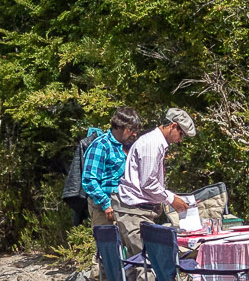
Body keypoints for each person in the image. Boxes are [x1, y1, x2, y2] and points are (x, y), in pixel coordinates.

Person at [113, 107, 196, 253]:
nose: (180, 139)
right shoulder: (152, 144)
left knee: (140, 264)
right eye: (181, 133)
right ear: (173, 126)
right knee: (148, 264)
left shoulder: (156, 143)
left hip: (140, 212)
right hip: (134, 212)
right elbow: (148, 183)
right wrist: (172, 199)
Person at [78, 107, 141, 226]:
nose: (135, 133)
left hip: (128, 208)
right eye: (131, 129)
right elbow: (89, 180)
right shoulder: (100, 146)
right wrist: (106, 203)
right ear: (119, 126)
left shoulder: (131, 146)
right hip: (105, 211)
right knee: (109, 244)